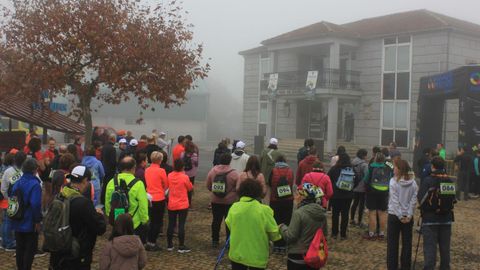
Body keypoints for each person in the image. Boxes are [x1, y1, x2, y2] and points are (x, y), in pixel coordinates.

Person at [49, 165, 107, 270]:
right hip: (77, 255)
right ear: (85, 180)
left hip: (58, 252)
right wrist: (99, 215)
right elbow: (100, 228)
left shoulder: (60, 196)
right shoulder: (83, 203)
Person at [225, 178, 281, 270]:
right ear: (258, 193)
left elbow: (229, 225)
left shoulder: (234, 207)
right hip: (257, 257)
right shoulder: (264, 210)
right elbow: (274, 234)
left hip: (237, 255)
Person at [418, 157, 455, 270]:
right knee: (445, 249)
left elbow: (421, 199)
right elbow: (452, 200)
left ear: (432, 166)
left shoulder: (428, 180)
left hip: (430, 220)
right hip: (446, 219)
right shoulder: (449, 180)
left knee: (430, 248)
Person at [280, 183, 328, 270]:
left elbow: (291, 236)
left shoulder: (299, 213)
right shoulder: (322, 213)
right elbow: (324, 235)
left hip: (297, 256)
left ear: (304, 197)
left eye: (298, 194)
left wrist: (282, 228)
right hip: (314, 256)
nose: (295, 196)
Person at [105, 157, 149, 244]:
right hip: (133, 221)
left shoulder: (111, 182)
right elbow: (143, 204)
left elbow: (108, 201)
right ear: (133, 168)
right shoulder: (138, 184)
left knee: (117, 244)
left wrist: (109, 215)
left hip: (117, 219)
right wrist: (144, 220)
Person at [10, 158, 42, 270]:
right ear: (35, 170)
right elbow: (35, 204)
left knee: (20, 247)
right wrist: (37, 221)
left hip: (17, 219)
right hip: (29, 221)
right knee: (30, 248)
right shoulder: (35, 184)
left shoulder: (17, 182)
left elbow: (12, 200)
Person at [386, 159, 418, 270]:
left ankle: (392, 266)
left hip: (394, 216)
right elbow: (413, 200)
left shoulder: (393, 181)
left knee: (392, 244)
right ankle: (405, 266)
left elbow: (394, 201)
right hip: (408, 217)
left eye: (395, 167)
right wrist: (408, 215)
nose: (393, 169)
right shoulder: (413, 183)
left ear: (399, 169)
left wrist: (400, 216)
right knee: (407, 244)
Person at [206, 153, 239, 248]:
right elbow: (238, 187)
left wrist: (214, 192)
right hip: (230, 201)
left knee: (216, 220)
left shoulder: (213, 171)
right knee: (229, 222)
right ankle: (228, 241)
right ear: (230, 161)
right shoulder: (234, 173)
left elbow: (208, 185)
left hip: (215, 200)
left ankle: (215, 240)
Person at [363, 152, 393, 240]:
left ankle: (371, 233)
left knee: (372, 212)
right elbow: (392, 177)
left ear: (376, 158)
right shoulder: (389, 167)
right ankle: (381, 233)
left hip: (372, 191)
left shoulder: (372, 166)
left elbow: (366, 179)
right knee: (382, 213)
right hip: (384, 191)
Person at [166, 159, 193, 253]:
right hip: (182, 204)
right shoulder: (184, 177)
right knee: (181, 225)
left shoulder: (169, 175)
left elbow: (166, 186)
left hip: (172, 203)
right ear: (182, 167)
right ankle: (181, 246)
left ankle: (169, 244)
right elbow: (190, 187)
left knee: (171, 224)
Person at [269, 155, 294, 253]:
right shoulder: (290, 171)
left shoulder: (273, 170)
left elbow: (270, 183)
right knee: (286, 222)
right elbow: (292, 183)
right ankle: (284, 245)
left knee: (276, 222)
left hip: (275, 200)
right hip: (288, 200)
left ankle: (277, 245)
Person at [144, 151, 168, 251]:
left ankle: (148, 240)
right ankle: (152, 242)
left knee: (151, 220)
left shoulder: (147, 170)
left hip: (149, 197)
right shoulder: (161, 171)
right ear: (160, 160)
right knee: (157, 222)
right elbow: (166, 184)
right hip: (159, 198)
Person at [327, 153, 354, 240]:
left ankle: (334, 233)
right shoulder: (352, 169)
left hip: (336, 195)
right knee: (345, 214)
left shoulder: (334, 168)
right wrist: (351, 188)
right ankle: (343, 234)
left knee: (335, 214)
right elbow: (357, 179)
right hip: (348, 195)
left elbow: (328, 179)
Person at [1, 152, 24, 251]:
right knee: (9, 221)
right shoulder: (24, 171)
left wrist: (7, 198)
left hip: (9, 198)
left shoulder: (8, 171)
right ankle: (9, 243)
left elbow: (4, 188)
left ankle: (4, 241)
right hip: (15, 200)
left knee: (6, 220)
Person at [350, 149, 369, 227]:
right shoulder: (364, 164)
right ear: (364, 155)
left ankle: (352, 219)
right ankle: (360, 221)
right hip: (362, 187)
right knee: (361, 205)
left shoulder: (353, 162)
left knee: (354, 203)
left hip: (354, 185)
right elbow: (367, 175)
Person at [181, 140, 199, 207]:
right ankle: (189, 203)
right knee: (190, 188)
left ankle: (183, 201)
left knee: (183, 188)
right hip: (192, 174)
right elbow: (196, 164)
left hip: (184, 173)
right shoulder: (194, 155)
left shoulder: (182, 154)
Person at [101, 134, 117, 204]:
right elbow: (113, 161)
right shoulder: (112, 148)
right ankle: (107, 201)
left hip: (104, 168)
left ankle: (102, 199)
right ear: (113, 139)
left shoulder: (104, 147)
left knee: (104, 185)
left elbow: (102, 158)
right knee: (109, 185)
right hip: (110, 170)